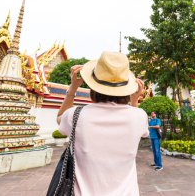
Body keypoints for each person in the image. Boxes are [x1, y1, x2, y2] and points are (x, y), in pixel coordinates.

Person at [56, 51, 149, 196]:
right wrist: (135, 100)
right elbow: (139, 129)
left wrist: (73, 88)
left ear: (93, 86)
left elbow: (60, 117)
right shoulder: (139, 116)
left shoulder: (76, 115)